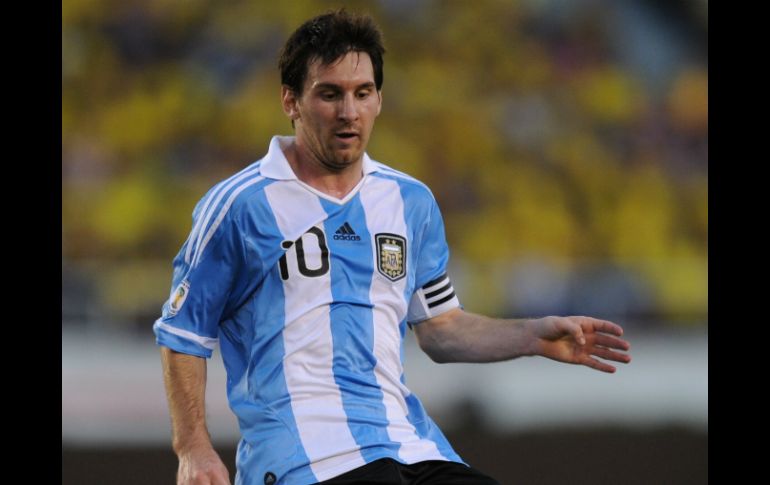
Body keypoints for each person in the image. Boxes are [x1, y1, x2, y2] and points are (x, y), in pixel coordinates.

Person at [154, 9, 632, 485]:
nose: (349, 112)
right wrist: (192, 447)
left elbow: (441, 329)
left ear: (379, 100)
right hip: (306, 459)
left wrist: (533, 336)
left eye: (362, 93)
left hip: (411, 446)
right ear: (290, 101)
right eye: (330, 94)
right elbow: (182, 333)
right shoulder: (238, 206)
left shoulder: (409, 201)